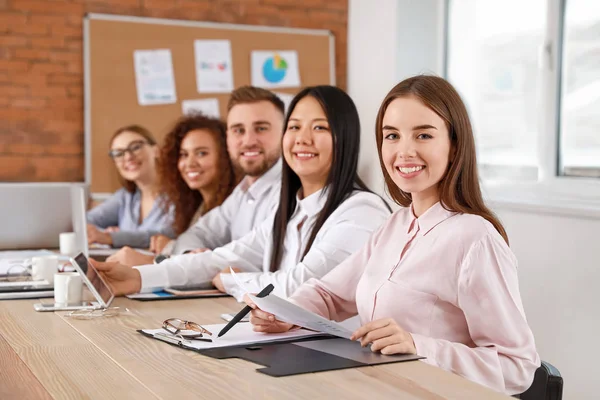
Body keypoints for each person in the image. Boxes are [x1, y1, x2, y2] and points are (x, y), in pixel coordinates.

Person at [245, 76, 540, 395]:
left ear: (454, 146)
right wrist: (286, 312)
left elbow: (518, 367)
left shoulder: (475, 238)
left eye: (424, 135)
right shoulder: (395, 225)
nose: (404, 151)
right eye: (392, 136)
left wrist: (420, 346)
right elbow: (331, 296)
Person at [94, 85, 391, 301]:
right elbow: (218, 258)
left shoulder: (361, 211)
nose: (303, 139)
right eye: (295, 127)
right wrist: (137, 278)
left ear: (345, 139)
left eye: (320, 128)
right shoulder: (290, 211)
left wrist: (233, 280)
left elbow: (301, 287)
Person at [106, 86, 284, 267]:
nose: (248, 141)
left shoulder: (289, 192)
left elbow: (245, 262)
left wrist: (157, 261)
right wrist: (189, 254)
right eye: (238, 130)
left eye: (261, 128)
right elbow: (197, 234)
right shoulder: (244, 190)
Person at [147, 113, 239, 255]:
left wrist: (170, 248)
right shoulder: (197, 205)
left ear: (225, 156)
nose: (190, 163)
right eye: (184, 155)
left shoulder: (234, 206)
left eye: (201, 153)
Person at [87, 125, 174, 249]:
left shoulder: (179, 194)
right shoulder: (126, 196)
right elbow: (85, 220)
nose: (128, 157)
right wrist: (102, 232)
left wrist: (111, 237)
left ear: (156, 150)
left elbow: (165, 236)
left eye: (136, 147)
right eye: (118, 153)